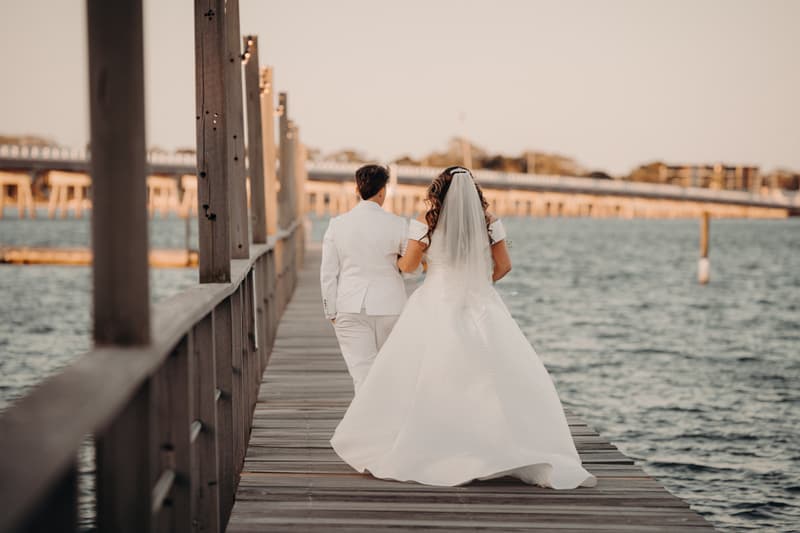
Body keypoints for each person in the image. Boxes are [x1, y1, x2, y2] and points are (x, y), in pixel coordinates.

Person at [330, 166, 597, 489]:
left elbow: (410, 265)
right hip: (481, 302)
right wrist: (478, 283)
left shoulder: (426, 219)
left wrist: (401, 264)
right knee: (490, 374)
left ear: (438, 190)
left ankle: (431, 440)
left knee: (423, 374)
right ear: (474, 192)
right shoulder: (490, 221)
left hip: (435, 301)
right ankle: (490, 442)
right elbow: (504, 266)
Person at [320, 164, 408, 392]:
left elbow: (328, 273)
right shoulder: (398, 224)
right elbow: (411, 268)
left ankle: (365, 426)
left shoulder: (337, 225)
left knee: (363, 379)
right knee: (390, 376)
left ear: (357, 189)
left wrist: (331, 311)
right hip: (391, 307)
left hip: (349, 308)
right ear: (382, 191)